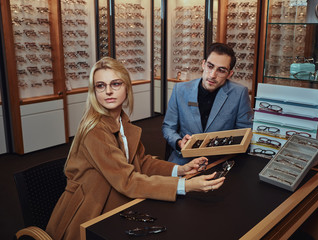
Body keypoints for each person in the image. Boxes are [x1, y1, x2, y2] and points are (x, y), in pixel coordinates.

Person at [46, 57, 225, 240]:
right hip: (91, 215)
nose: (108, 91)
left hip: (115, 204)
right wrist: (185, 185)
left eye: (115, 84)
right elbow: (128, 181)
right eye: (100, 86)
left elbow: (142, 161)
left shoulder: (121, 121)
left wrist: (180, 169)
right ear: (94, 91)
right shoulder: (95, 131)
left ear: (127, 88)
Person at [162, 42, 253, 165]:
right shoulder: (180, 90)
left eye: (221, 70)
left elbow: (245, 133)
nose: (212, 75)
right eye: (210, 66)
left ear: (229, 74)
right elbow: (168, 127)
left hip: (219, 162)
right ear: (203, 64)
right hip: (184, 160)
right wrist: (178, 142)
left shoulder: (239, 93)